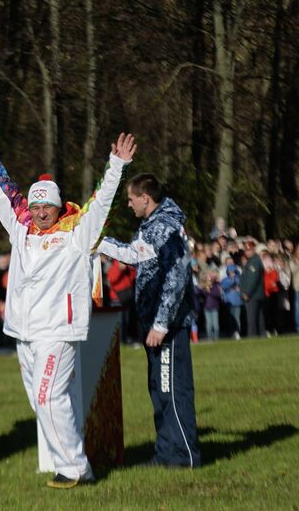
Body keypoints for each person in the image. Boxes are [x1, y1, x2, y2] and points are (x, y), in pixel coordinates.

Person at [0, 123, 136, 488]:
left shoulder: (76, 232)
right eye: (37, 205)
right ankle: (80, 467)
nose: (41, 212)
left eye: (48, 206)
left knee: (48, 396)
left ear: (59, 207)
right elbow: (2, 191)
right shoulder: (21, 230)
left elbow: (101, 202)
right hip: (23, 332)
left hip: (58, 330)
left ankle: (74, 469)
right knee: (39, 401)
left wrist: (116, 166)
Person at [97, 173, 201, 468]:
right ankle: (166, 453)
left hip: (166, 328)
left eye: (131, 199)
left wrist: (161, 324)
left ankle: (183, 457)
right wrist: (99, 241)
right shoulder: (152, 226)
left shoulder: (166, 227)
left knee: (171, 390)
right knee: (159, 389)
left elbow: (177, 276)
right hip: (156, 325)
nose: (129, 204)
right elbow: (133, 254)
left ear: (146, 198)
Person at [239, 240, 266, 338]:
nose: (247, 252)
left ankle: (252, 337)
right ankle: (262, 336)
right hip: (256, 295)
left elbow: (252, 280)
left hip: (253, 295)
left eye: (249, 250)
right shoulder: (253, 260)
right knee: (259, 318)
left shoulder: (254, 262)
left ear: (254, 249)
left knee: (252, 319)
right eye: (246, 250)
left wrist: (247, 293)